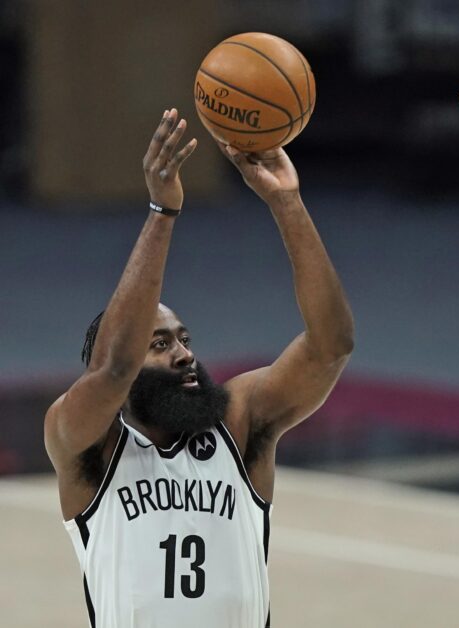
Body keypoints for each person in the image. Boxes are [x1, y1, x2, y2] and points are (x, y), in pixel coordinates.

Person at [44, 108, 354, 627]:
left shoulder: (238, 421)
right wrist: (160, 213)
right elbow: (115, 368)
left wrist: (287, 202)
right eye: (160, 344)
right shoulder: (84, 448)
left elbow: (331, 346)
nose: (185, 354)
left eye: (185, 340)